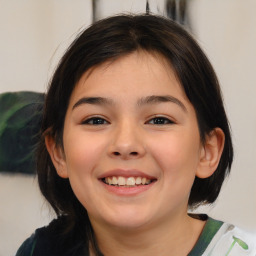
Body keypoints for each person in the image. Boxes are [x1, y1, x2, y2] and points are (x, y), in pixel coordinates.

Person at [16, 13, 256, 256]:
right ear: (58, 152)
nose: (125, 143)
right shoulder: (39, 250)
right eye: (96, 120)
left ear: (207, 151)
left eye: (159, 120)